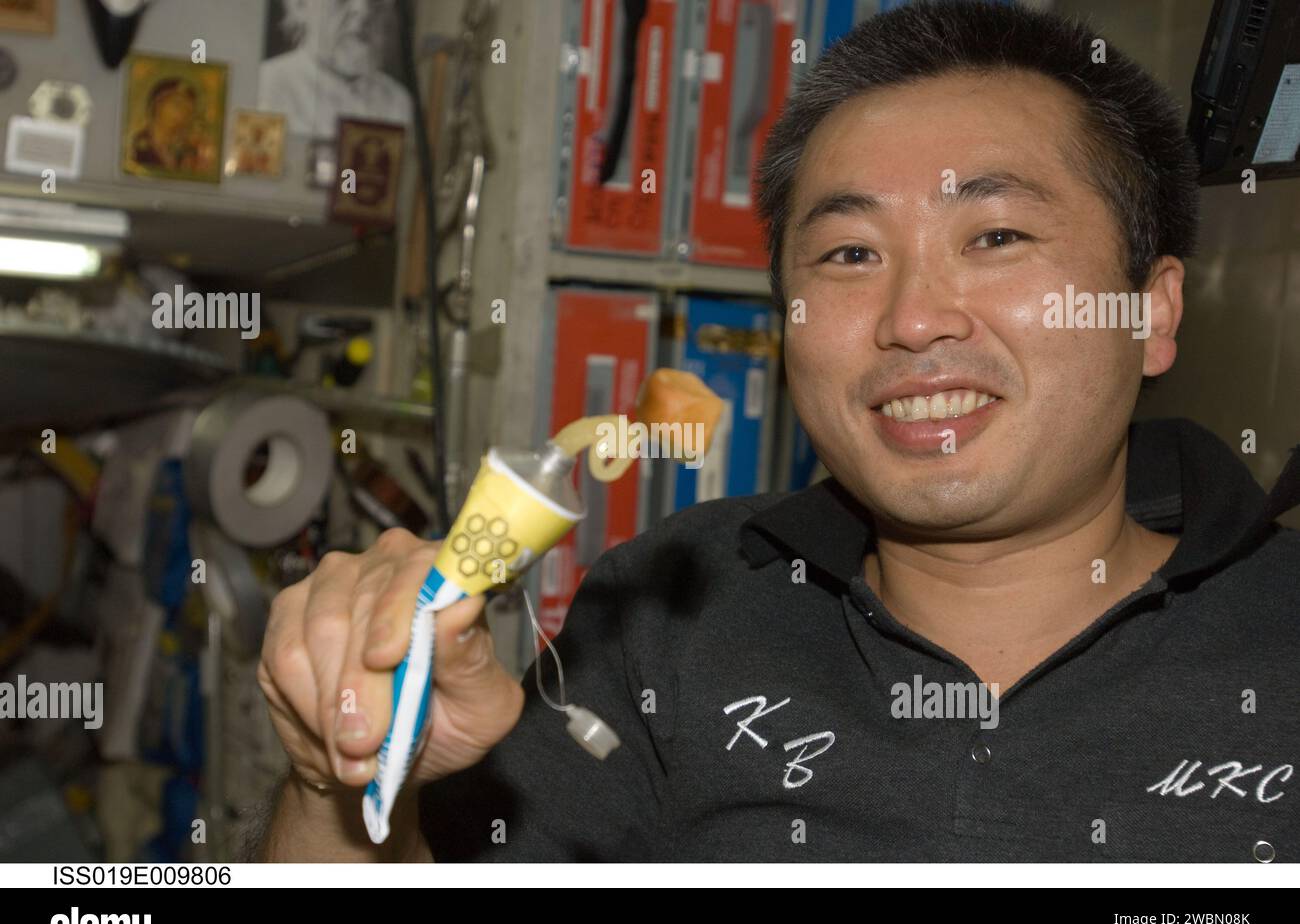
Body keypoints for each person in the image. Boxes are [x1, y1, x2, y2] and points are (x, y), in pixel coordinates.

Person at [254, 0, 1300, 862]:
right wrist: (337, 777)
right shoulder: (665, 611)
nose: (911, 318)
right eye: (848, 254)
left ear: (1150, 311)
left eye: (995, 235)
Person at [258, 0, 412, 139]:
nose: (364, 11)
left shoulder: (398, 101)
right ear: (300, 5)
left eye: (376, 2)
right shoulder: (264, 86)